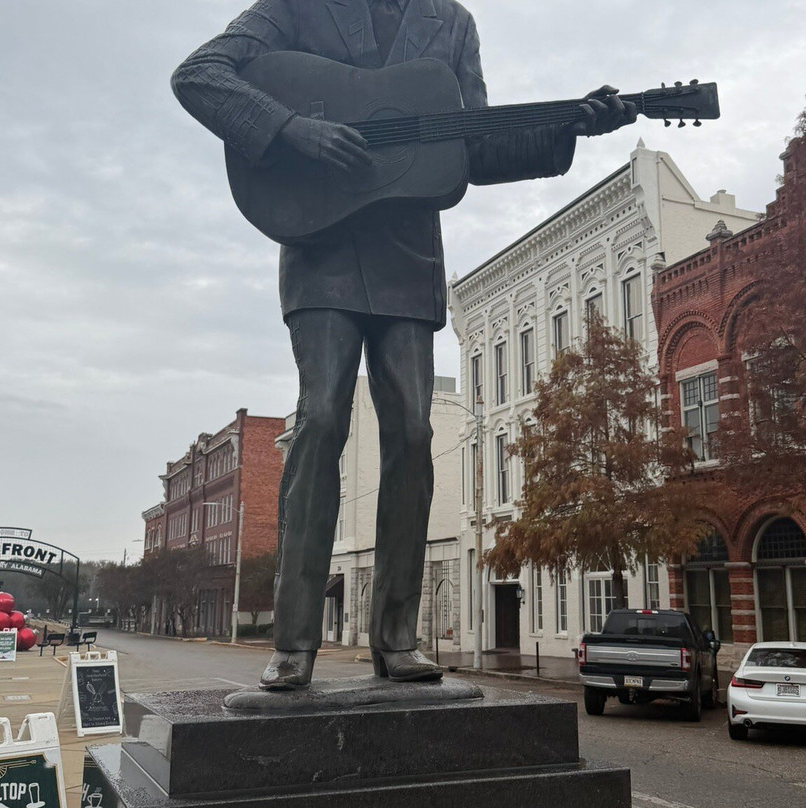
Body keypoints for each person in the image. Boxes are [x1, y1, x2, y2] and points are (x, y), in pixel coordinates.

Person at [172, 0, 634, 691]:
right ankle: (294, 640)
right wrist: (292, 130)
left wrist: (567, 127)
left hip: (407, 258)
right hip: (321, 246)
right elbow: (199, 74)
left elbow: (471, 144)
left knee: (414, 436)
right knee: (322, 417)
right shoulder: (295, 9)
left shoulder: (451, 24)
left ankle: (395, 637)